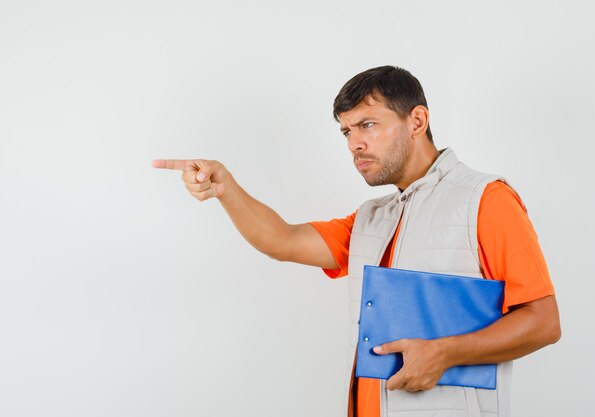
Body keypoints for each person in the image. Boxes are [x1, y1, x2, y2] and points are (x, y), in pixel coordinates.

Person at [152, 65, 561, 417]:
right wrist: (226, 187)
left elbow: (543, 322)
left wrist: (446, 352)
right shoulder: (372, 218)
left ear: (417, 122)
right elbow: (283, 240)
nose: (354, 144)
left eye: (367, 125)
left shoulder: (485, 199)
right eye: (346, 131)